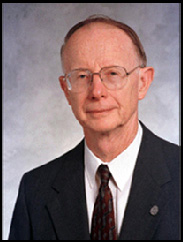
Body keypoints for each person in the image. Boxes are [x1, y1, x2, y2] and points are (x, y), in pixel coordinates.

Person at [9, 15, 180, 240]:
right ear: (66, 89)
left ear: (142, 82)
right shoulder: (35, 191)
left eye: (113, 73)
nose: (96, 91)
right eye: (82, 76)